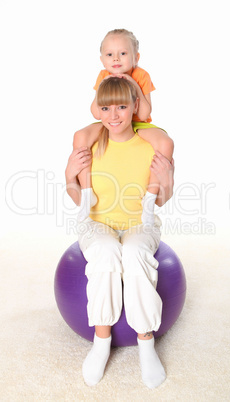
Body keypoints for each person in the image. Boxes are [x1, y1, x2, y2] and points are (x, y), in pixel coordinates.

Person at [65, 77, 174, 389]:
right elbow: (80, 201)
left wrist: (167, 179)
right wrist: (67, 174)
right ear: (97, 110)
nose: (114, 115)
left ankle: (146, 343)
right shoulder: (90, 144)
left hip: (141, 224)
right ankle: (101, 342)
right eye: (106, 108)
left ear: (135, 107)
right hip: (97, 224)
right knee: (106, 251)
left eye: (122, 107)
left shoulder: (150, 145)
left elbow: (161, 200)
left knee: (134, 252)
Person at [74, 28, 174, 225]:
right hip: (111, 121)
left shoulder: (141, 74)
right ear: (102, 59)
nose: (116, 59)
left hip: (137, 123)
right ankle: (87, 194)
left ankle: (149, 199)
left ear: (135, 57)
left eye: (123, 53)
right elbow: (96, 112)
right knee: (80, 137)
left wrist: (132, 84)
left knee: (165, 143)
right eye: (110, 54)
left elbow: (144, 114)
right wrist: (104, 85)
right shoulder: (103, 75)